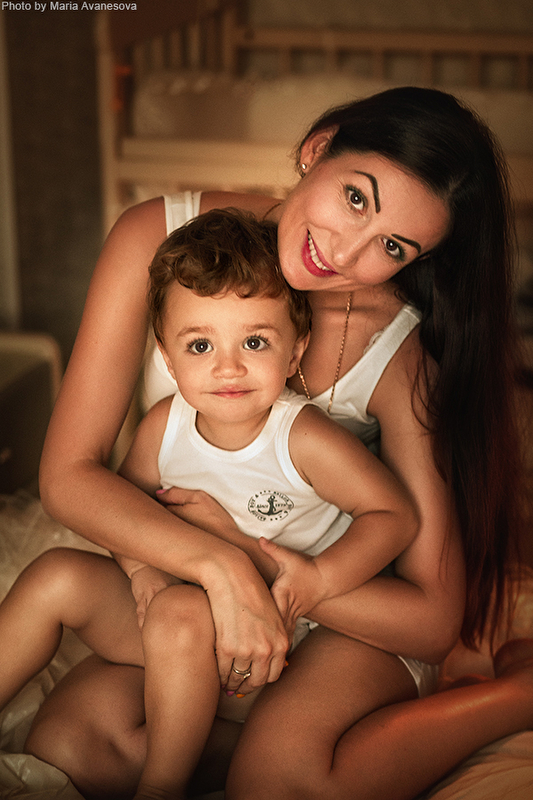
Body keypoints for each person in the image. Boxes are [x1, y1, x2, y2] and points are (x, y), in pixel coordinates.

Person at [25, 86, 531, 800]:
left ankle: (514, 696)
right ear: (318, 148)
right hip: (211, 599)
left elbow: (428, 619)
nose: (344, 251)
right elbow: (69, 478)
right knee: (73, 745)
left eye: (392, 247)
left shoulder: (393, 346)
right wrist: (216, 566)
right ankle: (267, 732)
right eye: (355, 198)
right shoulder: (155, 234)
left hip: (342, 617)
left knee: (278, 782)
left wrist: (244, 557)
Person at [0, 208, 418, 800]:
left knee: (179, 612)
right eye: (200, 345)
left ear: (295, 351)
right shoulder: (163, 427)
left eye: (255, 341)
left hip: (280, 644)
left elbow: (394, 515)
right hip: (186, 634)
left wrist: (320, 579)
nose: (228, 367)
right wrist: (141, 572)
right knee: (57, 576)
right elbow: (123, 511)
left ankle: (163, 786)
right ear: (167, 359)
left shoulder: (302, 438)